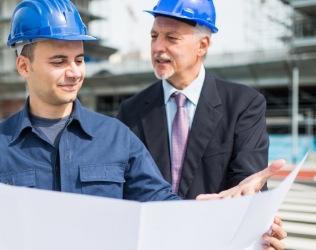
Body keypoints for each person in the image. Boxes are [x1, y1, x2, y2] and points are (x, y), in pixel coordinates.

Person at [0, 0, 286, 249]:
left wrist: (228, 216)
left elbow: (162, 205)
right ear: (24, 66)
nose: (74, 71)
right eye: (59, 61)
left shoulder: (116, 137)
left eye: (78, 59)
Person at [116, 0, 286, 248]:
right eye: (154, 36)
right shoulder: (131, 110)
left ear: (202, 45)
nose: (157, 47)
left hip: (215, 240)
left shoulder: (243, 104)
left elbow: (246, 183)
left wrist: (256, 212)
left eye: (171, 38)